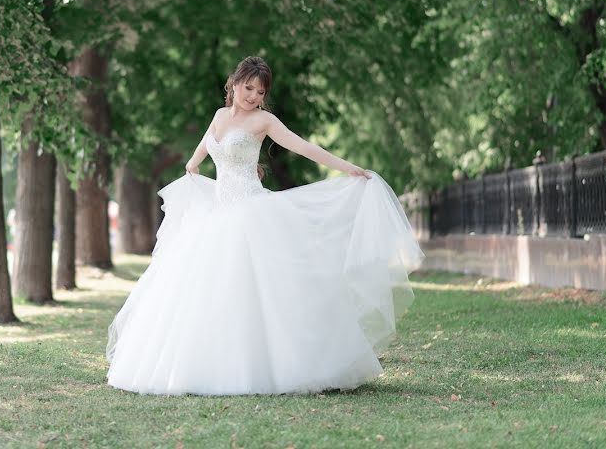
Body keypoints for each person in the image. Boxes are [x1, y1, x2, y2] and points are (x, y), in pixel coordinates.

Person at [106, 56, 423, 395]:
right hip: (217, 214)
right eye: (248, 88)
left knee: (264, 290)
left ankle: (287, 365)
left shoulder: (264, 121)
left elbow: (304, 147)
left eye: (260, 91)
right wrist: (192, 165)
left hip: (250, 212)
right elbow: (206, 143)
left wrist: (348, 168)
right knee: (203, 290)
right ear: (234, 83)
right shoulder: (218, 116)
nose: (253, 96)